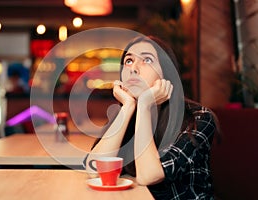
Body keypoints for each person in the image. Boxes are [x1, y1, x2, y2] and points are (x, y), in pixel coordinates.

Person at [84, 35, 219, 199]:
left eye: (147, 60)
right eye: (128, 61)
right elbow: (94, 169)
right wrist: (128, 107)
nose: (133, 68)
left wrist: (145, 104)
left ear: (166, 74)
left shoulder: (198, 118)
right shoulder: (126, 114)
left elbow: (148, 175)